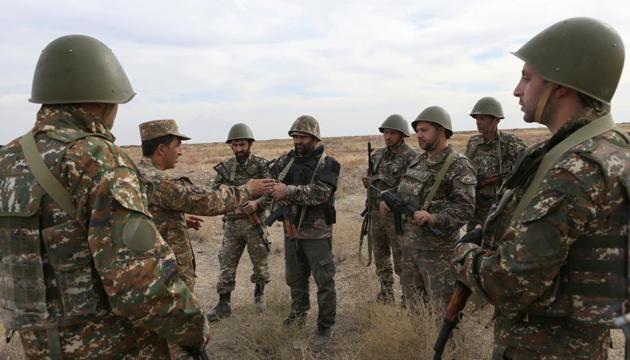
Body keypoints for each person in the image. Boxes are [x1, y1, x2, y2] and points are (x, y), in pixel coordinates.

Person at [0, 35, 208, 358]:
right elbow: (140, 284)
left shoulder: (8, 159)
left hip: (40, 348)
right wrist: (195, 330)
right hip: (112, 347)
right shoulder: (97, 159)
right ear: (100, 100)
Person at [453, 17, 629, 359]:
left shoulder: (575, 170)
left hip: (545, 347)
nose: (517, 90)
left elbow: (510, 284)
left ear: (559, 84)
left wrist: (462, 255)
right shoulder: (611, 147)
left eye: (526, 77)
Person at [137, 119, 273, 291]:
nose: (180, 152)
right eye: (178, 145)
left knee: (260, 262)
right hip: (166, 273)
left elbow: (140, 216)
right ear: (162, 149)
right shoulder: (161, 181)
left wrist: (174, 221)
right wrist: (247, 190)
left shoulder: (136, 174)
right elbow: (208, 202)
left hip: (151, 267)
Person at [384, 106, 475, 306]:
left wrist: (434, 218)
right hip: (410, 248)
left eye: (424, 130)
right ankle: (420, 338)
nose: (419, 135)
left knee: (442, 310)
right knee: (414, 307)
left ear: (441, 131)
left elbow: (466, 208)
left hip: (438, 255)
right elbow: (407, 191)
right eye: (417, 130)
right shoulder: (418, 160)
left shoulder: (458, 165)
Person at [269, 115, 340, 339]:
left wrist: (287, 192)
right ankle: (298, 314)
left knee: (324, 280)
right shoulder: (285, 162)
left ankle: (325, 326)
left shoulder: (328, 164)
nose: (298, 141)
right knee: (295, 278)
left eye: (303, 137)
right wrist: (276, 193)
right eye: (295, 137)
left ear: (314, 137)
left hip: (316, 233)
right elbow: (271, 182)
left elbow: (320, 193)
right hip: (291, 230)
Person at [206, 123, 272, 321]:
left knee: (260, 262)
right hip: (232, 224)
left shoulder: (261, 165)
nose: (239, 149)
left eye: (242, 145)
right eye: (235, 145)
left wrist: (256, 204)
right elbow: (215, 189)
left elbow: (271, 191)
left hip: (255, 224)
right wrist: (224, 189)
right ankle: (223, 304)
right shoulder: (226, 167)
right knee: (226, 262)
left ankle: (259, 296)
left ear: (250, 144)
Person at [361, 114, 416, 303]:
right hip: (376, 214)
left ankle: (407, 297)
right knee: (380, 254)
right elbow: (371, 180)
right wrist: (367, 182)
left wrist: (391, 200)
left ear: (401, 134)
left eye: (392, 133)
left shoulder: (411, 156)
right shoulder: (376, 155)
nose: (388, 136)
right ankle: (386, 292)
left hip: (397, 216)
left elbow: (410, 186)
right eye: (385, 132)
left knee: (402, 259)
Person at [464, 97, 527, 231]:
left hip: (500, 205)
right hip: (476, 204)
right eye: (477, 118)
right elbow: (465, 169)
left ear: (496, 120)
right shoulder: (473, 142)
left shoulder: (510, 142)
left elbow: (527, 164)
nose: (478, 122)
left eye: (483, 118)